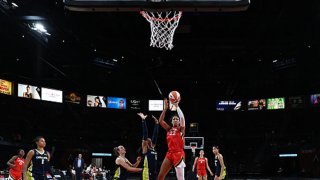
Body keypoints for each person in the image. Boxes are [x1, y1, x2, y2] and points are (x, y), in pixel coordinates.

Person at [157, 98, 186, 180]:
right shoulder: (169, 129)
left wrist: (177, 106)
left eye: (177, 119)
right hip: (169, 153)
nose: (176, 120)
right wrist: (165, 108)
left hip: (179, 154)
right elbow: (161, 121)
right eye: (174, 119)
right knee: (160, 176)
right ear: (172, 122)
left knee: (180, 178)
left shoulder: (181, 129)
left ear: (179, 122)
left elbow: (182, 118)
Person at [137, 112, 159, 180]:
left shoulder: (153, 147)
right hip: (147, 171)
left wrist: (157, 124)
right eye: (147, 139)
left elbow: (155, 135)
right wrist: (143, 120)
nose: (148, 139)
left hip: (154, 172)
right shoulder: (145, 149)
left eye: (150, 139)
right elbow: (145, 133)